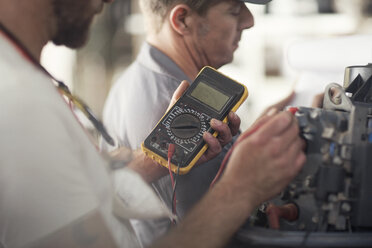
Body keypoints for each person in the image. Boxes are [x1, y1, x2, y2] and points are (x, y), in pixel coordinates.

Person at [0, 0, 305, 247]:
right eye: (234, 9)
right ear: (181, 20)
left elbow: (81, 193)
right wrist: (240, 188)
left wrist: (162, 152)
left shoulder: (23, 83)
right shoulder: (20, 102)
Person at [102, 0, 293, 245]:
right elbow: (221, 233)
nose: (249, 20)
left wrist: (254, 136)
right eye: (234, 10)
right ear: (182, 20)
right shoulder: (170, 106)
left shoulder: (131, 79)